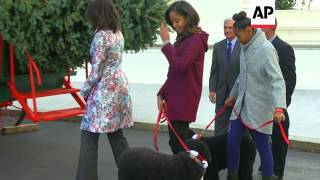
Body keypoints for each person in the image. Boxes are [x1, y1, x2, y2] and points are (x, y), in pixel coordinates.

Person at [224, 11, 286, 180]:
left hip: (260, 109)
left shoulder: (266, 50)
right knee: (232, 142)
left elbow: (278, 80)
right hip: (241, 106)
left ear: (250, 30)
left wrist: (279, 107)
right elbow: (242, 75)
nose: (237, 39)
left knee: (264, 148)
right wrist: (232, 95)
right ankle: (232, 175)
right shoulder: (245, 46)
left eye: (238, 35)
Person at [76, 0, 133, 179]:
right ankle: (133, 172)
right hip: (119, 86)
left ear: (97, 15)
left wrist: (83, 90)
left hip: (104, 90)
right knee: (116, 132)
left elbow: (96, 71)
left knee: (89, 133)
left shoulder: (101, 36)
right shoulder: (118, 34)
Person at [157, 0, 209, 154]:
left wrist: (166, 42)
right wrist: (161, 94)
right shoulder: (184, 39)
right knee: (180, 139)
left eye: (177, 20)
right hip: (175, 97)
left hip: (184, 99)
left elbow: (179, 66)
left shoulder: (195, 40)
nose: (174, 25)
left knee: (178, 144)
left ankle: (194, 166)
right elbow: (173, 72)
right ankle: (203, 152)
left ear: (188, 17)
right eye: (172, 22)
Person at [262, 19, 297, 180]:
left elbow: (289, 80)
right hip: (260, 105)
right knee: (264, 140)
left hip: (276, 107)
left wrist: (281, 106)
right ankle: (265, 166)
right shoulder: (258, 48)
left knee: (278, 142)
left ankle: (277, 172)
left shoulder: (283, 48)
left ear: (270, 26)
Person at [209, 18, 241, 136]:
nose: (227, 30)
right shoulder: (218, 46)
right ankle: (220, 154)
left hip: (238, 97)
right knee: (219, 131)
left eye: (230, 28)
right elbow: (214, 70)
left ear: (236, 29)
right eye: (225, 27)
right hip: (221, 96)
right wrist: (212, 89)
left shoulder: (243, 45)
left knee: (239, 132)